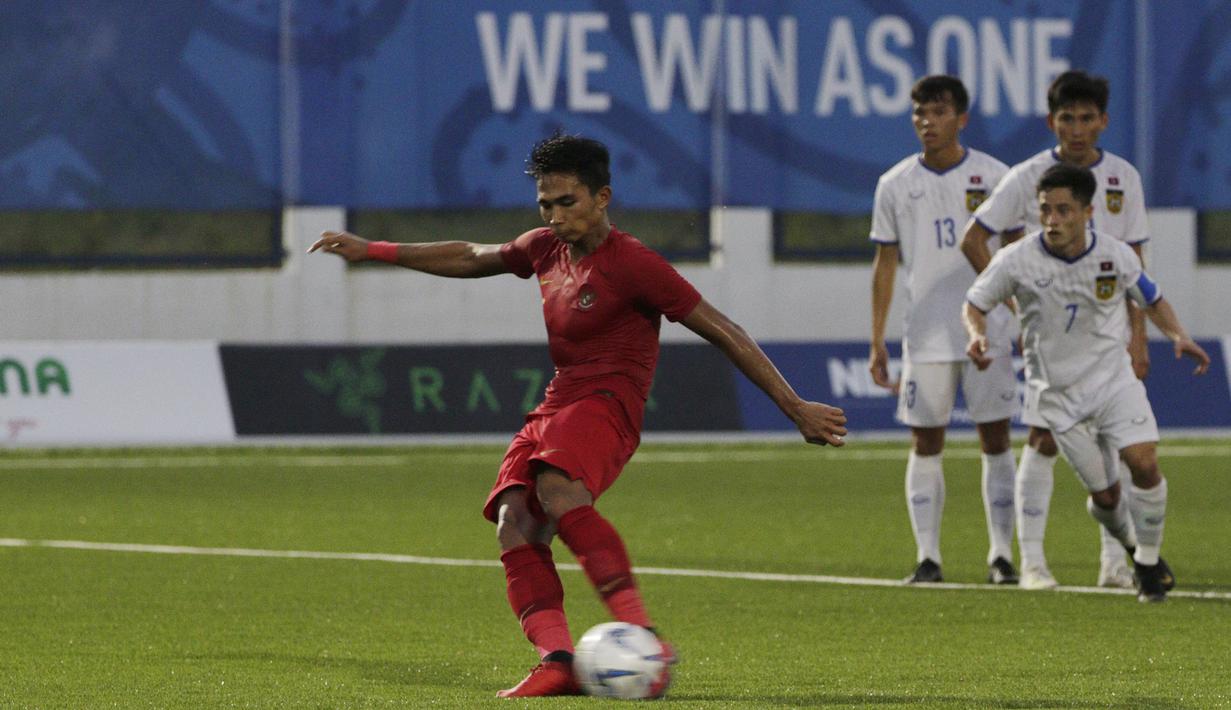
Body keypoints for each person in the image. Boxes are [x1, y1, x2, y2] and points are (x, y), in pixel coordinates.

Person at [309, 133, 848, 697]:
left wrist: (794, 406)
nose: (555, 215)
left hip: (609, 404)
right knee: (514, 517)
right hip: (560, 399)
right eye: (546, 204)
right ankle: (558, 661)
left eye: (567, 202)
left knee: (558, 488)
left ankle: (644, 637)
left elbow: (724, 329)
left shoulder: (635, 264)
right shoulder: (544, 248)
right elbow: (471, 256)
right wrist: (373, 250)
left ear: (602, 197)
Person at [963, 163, 1209, 603]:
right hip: (1058, 397)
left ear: (1088, 211)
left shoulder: (1115, 255)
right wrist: (977, 334)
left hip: (1114, 382)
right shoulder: (1015, 259)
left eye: (1063, 210)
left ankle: (1148, 567)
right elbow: (975, 303)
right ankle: (1135, 550)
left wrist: (1178, 335)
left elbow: (1152, 299)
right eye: (1045, 211)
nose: (1053, 220)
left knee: (1145, 463)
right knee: (1108, 497)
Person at [960, 70, 1150, 590]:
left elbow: (1134, 261)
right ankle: (1035, 563)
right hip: (1052, 340)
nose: (1077, 128)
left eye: (1087, 118)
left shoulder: (1124, 178)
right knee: (1042, 438)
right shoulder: (1026, 175)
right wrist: (1015, 304)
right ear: (1052, 121)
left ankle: (1114, 563)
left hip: (1108, 337)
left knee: (1116, 439)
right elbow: (975, 238)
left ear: (1103, 121)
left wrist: (1140, 337)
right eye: (1067, 118)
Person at [869, 76, 1019, 585]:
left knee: (995, 438)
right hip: (926, 334)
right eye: (919, 114)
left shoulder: (995, 176)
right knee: (925, 439)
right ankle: (927, 556)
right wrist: (877, 341)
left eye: (937, 112)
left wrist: (1019, 316)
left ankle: (1001, 555)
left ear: (962, 118)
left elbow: (1021, 252)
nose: (926, 122)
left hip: (989, 330)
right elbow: (885, 266)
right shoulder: (894, 184)